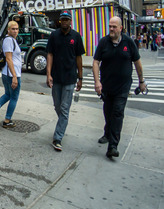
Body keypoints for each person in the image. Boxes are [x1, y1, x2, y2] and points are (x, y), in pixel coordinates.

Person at [92, 16, 146, 159]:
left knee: (117, 113)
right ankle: (107, 133)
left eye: (114, 27)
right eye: (110, 26)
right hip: (107, 86)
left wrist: (142, 81)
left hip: (122, 87)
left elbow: (137, 62)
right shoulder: (104, 42)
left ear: (121, 28)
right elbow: (96, 62)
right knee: (108, 111)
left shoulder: (129, 42)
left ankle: (113, 146)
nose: (111, 29)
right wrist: (97, 82)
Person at [45, 11, 85, 152]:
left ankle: (58, 137)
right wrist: (48, 73)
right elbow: (49, 54)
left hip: (70, 79)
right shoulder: (54, 35)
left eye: (67, 19)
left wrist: (80, 77)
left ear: (70, 21)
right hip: (56, 78)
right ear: (59, 21)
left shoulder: (76, 36)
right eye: (63, 20)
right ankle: (62, 124)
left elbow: (79, 58)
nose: (65, 22)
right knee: (57, 106)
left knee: (64, 109)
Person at [0, 21, 21, 128]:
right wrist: (15, 77)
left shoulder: (12, 40)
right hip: (11, 74)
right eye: (13, 29)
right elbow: (8, 59)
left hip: (7, 73)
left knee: (8, 94)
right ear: (8, 30)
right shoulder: (8, 41)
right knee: (14, 97)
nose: (15, 31)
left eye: (17, 29)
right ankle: (7, 121)